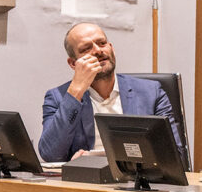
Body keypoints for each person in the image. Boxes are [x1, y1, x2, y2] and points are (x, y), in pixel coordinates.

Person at [38, 22, 184, 163]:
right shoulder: (58, 97)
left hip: (138, 182)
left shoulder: (151, 92)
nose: (98, 51)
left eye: (102, 43)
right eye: (86, 48)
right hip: (84, 183)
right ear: (73, 63)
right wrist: (76, 91)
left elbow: (175, 154)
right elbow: (51, 154)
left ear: (111, 48)